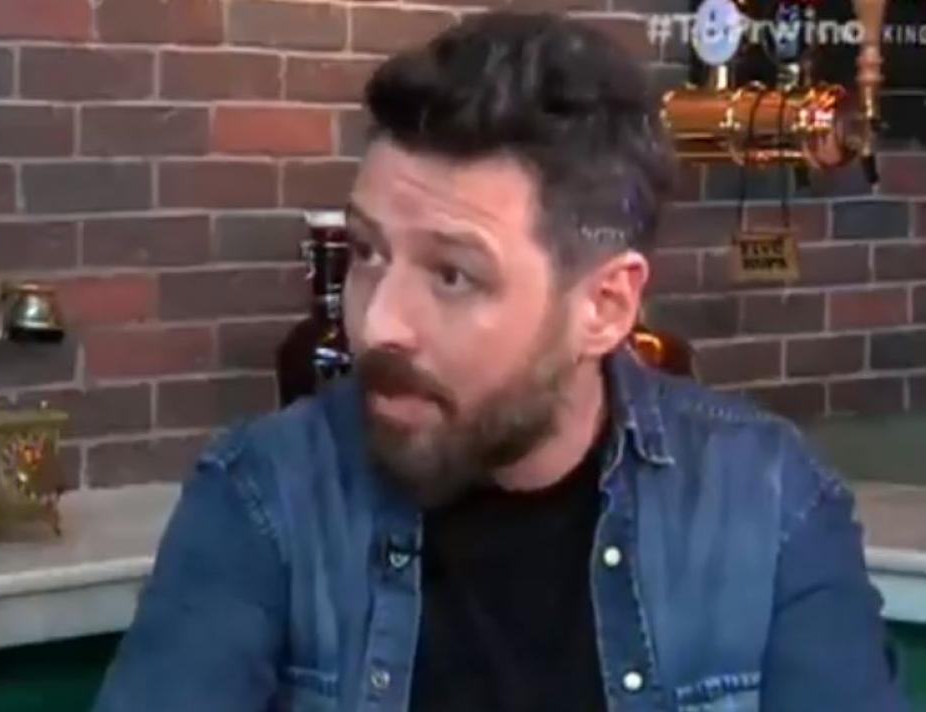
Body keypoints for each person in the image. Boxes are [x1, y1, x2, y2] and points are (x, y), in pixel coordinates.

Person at [92, 11, 909, 711]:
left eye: (453, 275)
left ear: (605, 307)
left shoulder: (769, 505)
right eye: (368, 253)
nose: (379, 326)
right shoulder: (262, 497)